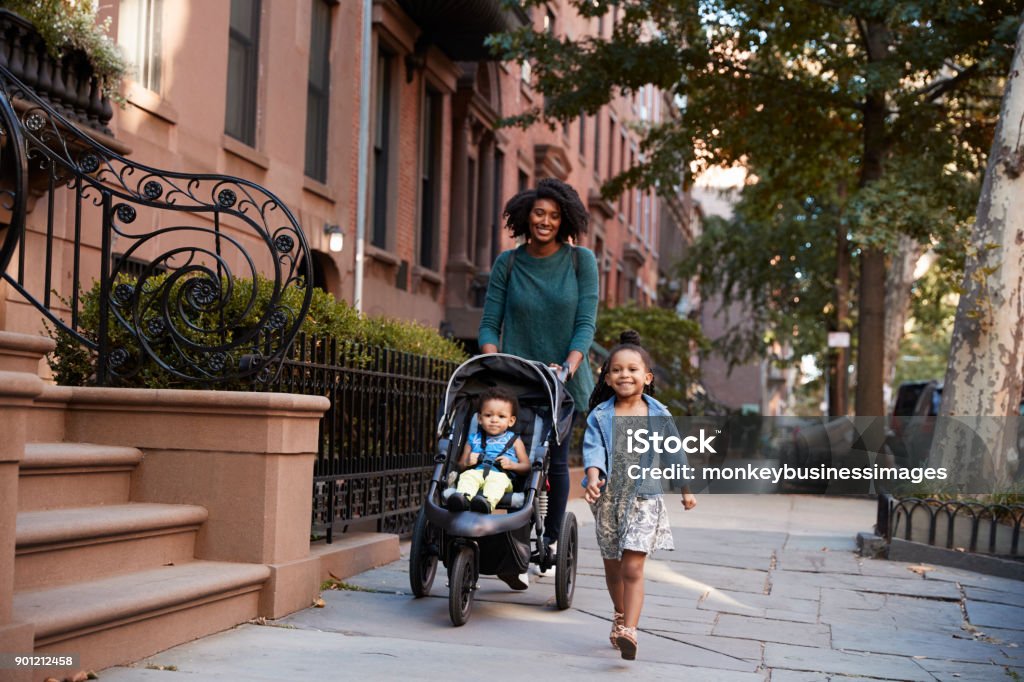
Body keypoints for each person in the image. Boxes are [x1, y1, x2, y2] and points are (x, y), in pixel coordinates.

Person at [478, 177, 598, 562]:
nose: (545, 221)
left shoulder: (582, 261)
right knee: (508, 454)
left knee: (554, 460)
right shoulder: (508, 262)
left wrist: (568, 365)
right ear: (526, 215)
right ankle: (506, 533)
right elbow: (488, 323)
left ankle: (547, 539)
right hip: (514, 379)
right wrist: (492, 359)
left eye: (554, 215)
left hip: (563, 380)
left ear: (565, 221)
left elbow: (585, 324)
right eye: (539, 213)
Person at [582, 330, 697, 661]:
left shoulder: (659, 414)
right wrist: (592, 477)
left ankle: (630, 630)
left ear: (647, 377)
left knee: (632, 567)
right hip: (607, 502)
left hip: (645, 498)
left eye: (633, 369)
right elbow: (593, 451)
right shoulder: (600, 415)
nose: (624, 375)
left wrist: (686, 489)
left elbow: (674, 453)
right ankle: (619, 614)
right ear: (607, 377)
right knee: (613, 568)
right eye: (617, 369)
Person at [444, 387, 530, 514]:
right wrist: (467, 462)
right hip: (477, 473)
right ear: (479, 418)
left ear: (511, 421)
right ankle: (462, 500)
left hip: (502, 477)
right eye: (488, 415)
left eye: (501, 416)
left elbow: (527, 467)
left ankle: (486, 503)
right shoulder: (473, 439)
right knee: (467, 476)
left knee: (497, 481)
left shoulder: (515, 440)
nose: (494, 420)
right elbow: (460, 465)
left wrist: (512, 465)